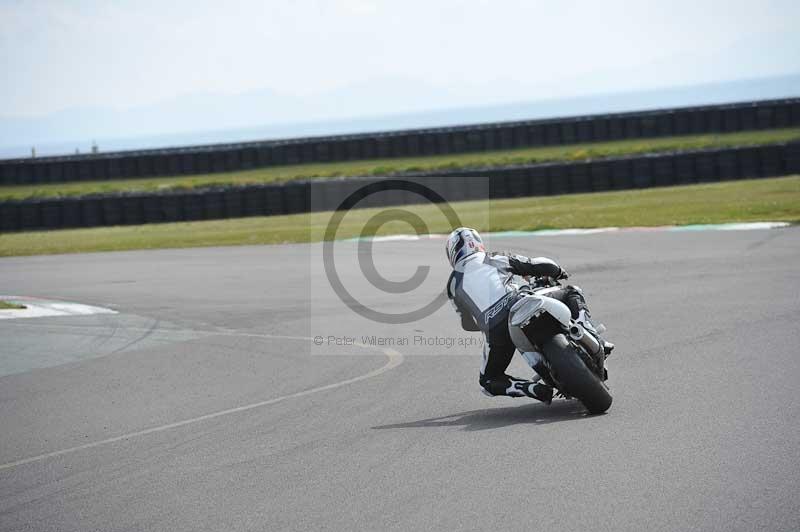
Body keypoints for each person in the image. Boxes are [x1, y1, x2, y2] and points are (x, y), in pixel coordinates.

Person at [445, 227, 613, 403]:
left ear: (452, 253)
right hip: (518, 300)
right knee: (572, 292)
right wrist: (558, 271)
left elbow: (467, 323)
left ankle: (531, 389)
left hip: (495, 328)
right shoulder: (493, 258)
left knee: (488, 381)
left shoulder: (452, 286)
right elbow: (538, 264)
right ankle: (587, 330)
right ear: (478, 243)